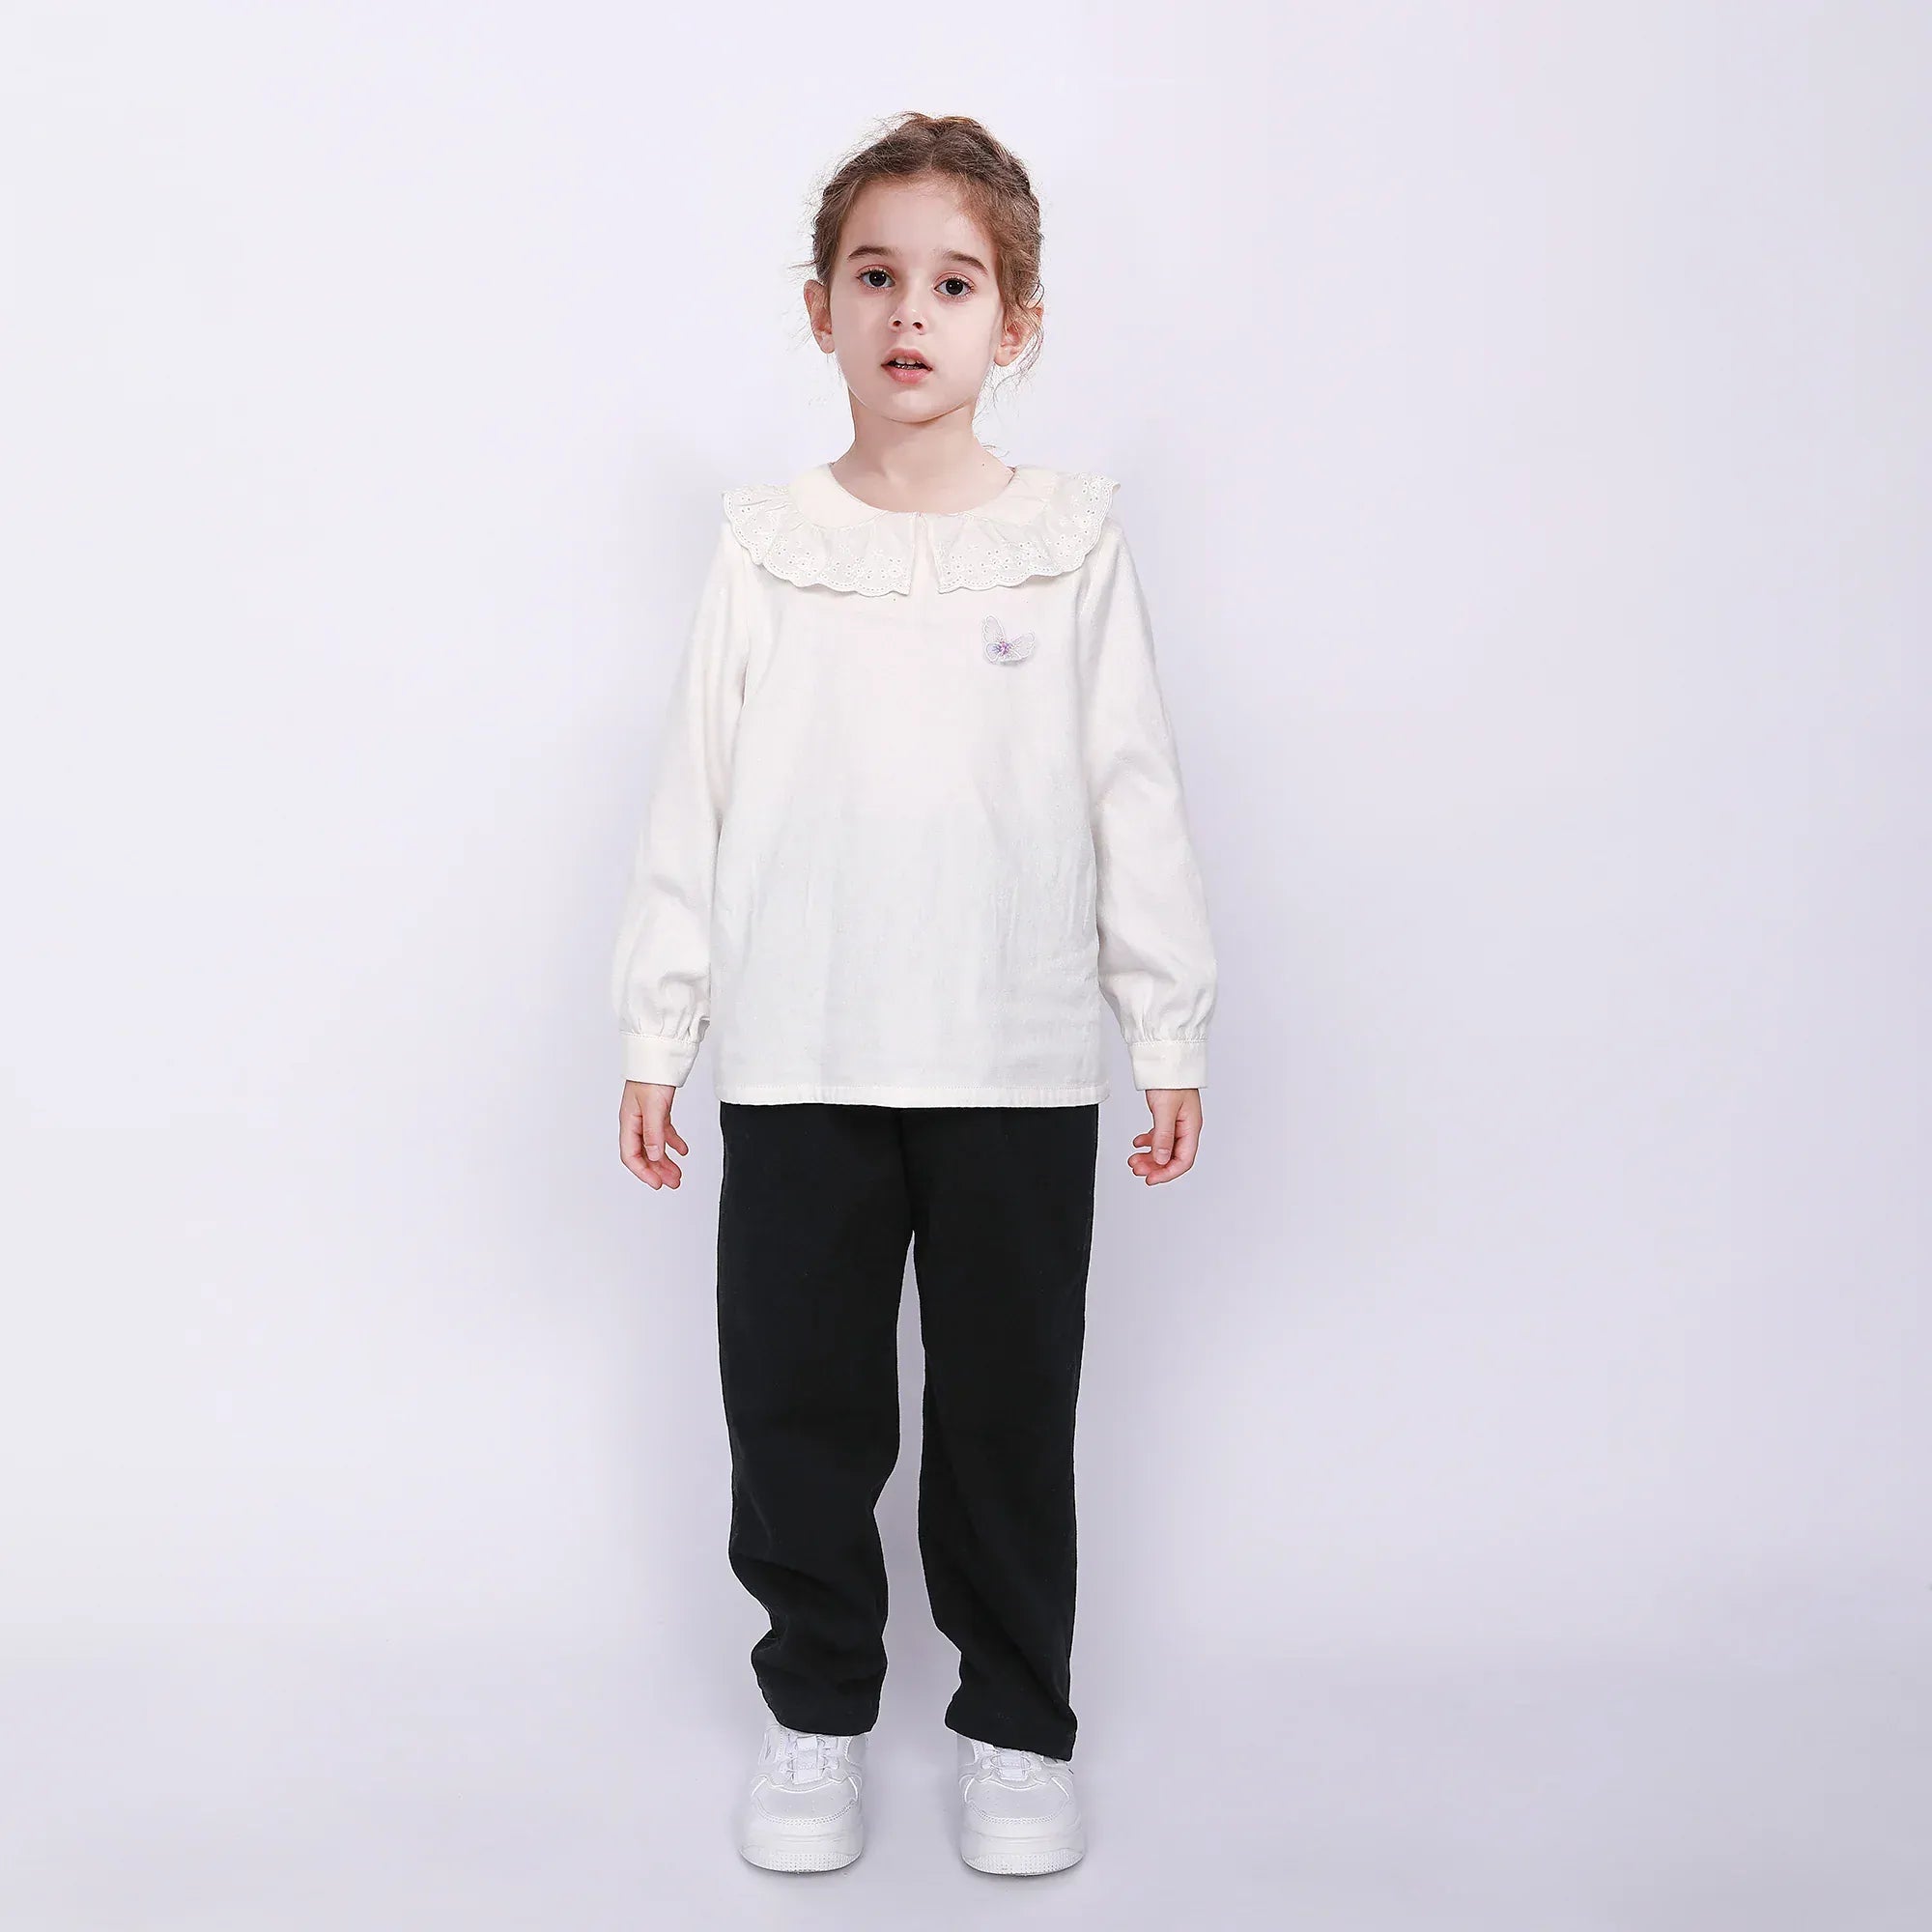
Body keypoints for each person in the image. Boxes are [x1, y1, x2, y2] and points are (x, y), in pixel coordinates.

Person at [609, 111, 1218, 1877]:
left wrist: (1164, 1022)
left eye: (954, 284)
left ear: (1013, 324)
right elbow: (694, 793)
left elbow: (1132, 789)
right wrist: (659, 1029)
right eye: (875, 276)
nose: (909, 313)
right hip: (802, 1046)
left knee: (1007, 1414)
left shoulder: (1069, 542)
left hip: (1011, 1053)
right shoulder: (767, 544)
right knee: (797, 1405)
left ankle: (1015, 1725)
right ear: (821, 308)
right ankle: (814, 1712)